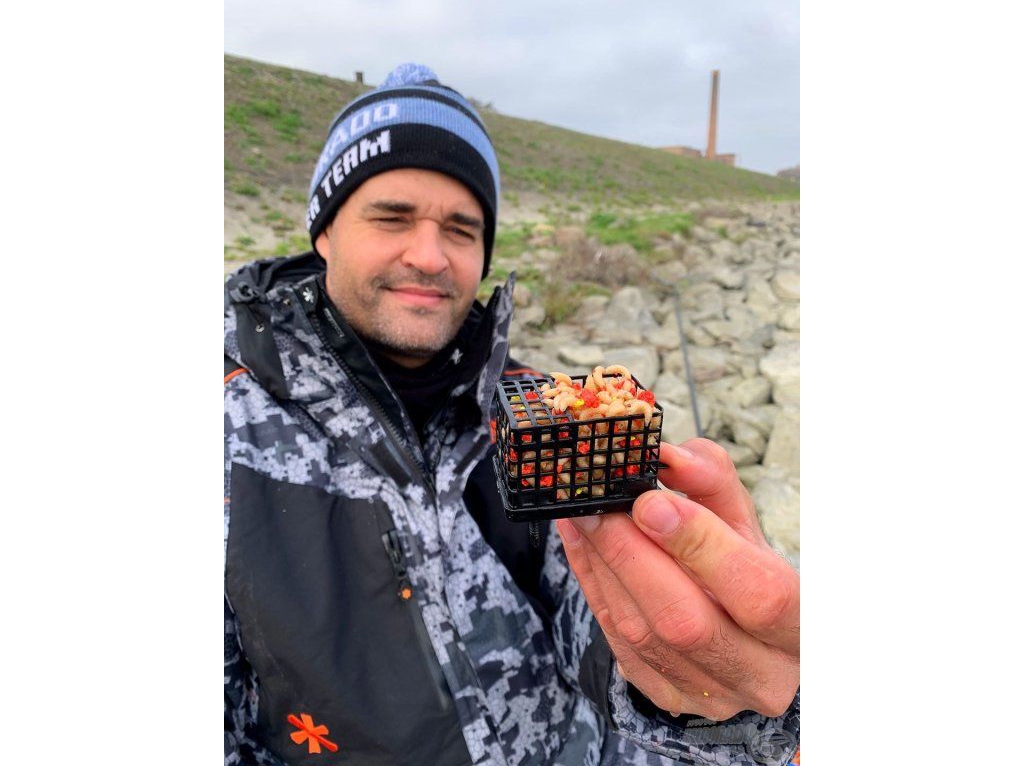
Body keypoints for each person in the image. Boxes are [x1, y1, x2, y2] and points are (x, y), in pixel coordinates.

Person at [224, 63, 800, 766]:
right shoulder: (228, 425)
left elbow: (615, 647)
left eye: (461, 229)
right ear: (324, 233)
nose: (429, 256)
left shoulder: (541, 415)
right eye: (391, 217)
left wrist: (710, 690)